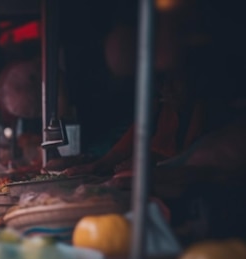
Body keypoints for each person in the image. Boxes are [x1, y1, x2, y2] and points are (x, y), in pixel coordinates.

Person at [64, 13, 223, 177]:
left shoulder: (214, 112)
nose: (166, 88)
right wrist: (95, 166)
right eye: (161, 81)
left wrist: (151, 164)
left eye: (174, 79)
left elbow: (196, 166)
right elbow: (127, 145)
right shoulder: (161, 109)